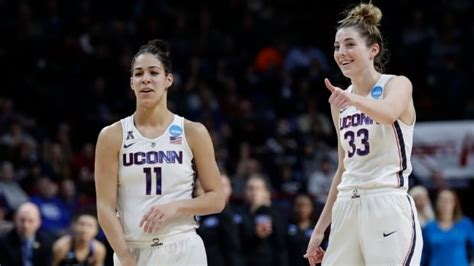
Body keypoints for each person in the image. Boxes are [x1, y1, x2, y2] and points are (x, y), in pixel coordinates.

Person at [304, 3, 423, 265]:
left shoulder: (397, 84)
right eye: (337, 46)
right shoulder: (339, 103)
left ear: (373, 50)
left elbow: (389, 112)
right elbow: (343, 168)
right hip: (346, 205)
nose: (341, 52)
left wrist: (354, 100)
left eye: (349, 44)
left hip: (386, 203)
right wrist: (320, 229)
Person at [94, 39, 225, 266]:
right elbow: (105, 207)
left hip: (183, 247)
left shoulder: (192, 131)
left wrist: (175, 206)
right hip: (134, 251)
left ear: (168, 80)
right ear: (132, 83)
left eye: (153, 72)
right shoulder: (112, 135)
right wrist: (125, 257)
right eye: (138, 73)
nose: (145, 78)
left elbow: (217, 198)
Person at [195, 174, 244, 266]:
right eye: (198, 188)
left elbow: (233, 248)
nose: (199, 191)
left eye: (224, 186)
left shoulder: (238, 214)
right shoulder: (194, 215)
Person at [422, 189, 474, 266]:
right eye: (442, 200)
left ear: (454, 203)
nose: (445, 204)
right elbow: (424, 255)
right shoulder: (429, 227)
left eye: (449, 200)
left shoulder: (465, 224)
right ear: (437, 203)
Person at [0, 202, 54, 266]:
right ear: (15, 220)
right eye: (22, 220)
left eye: (30, 221)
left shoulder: (46, 242)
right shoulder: (4, 242)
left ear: (38, 222)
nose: (25, 226)